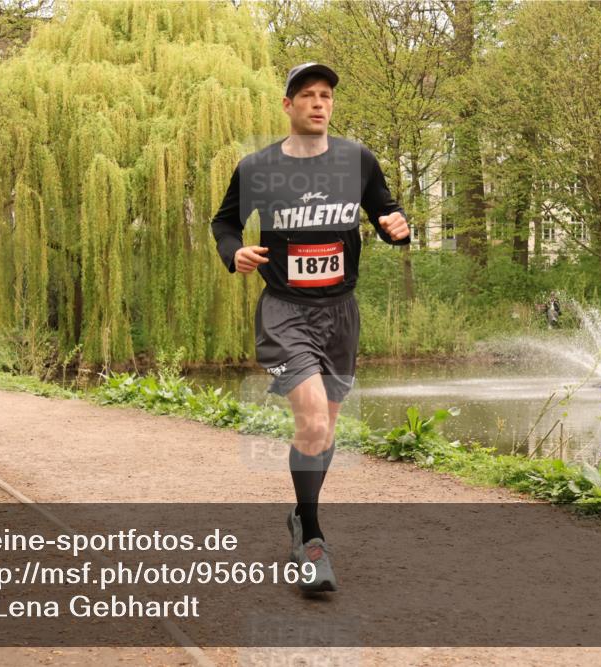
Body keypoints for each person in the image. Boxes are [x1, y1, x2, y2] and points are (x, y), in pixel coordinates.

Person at [210, 62, 411, 593]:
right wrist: (236, 253)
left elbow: (386, 212)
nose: (319, 103)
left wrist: (396, 227)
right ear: (288, 105)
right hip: (286, 310)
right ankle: (314, 538)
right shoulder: (259, 167)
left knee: (324, 432)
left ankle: (301, 515)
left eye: (326, 96)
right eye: (308, 95)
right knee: (315, 422)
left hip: (341, 313)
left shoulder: (357, 159)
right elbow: (224, 222)